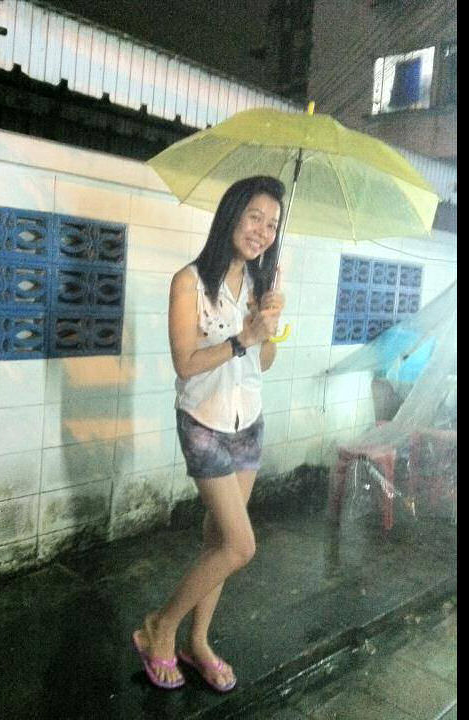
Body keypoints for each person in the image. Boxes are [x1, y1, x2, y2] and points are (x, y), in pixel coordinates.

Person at [131, 176, 287, 692]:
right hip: (203, 423)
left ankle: (197, 643)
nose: (262, 231)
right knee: (241, 546)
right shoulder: (189, 283)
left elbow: (264, 362)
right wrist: (243, 337)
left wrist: (268, 324)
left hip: (248, 423)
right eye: (254, 217)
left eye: (272, 224)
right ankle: (161, 626)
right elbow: (185, 363)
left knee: (219, 540)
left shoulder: (260, 288)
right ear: (231, 216)